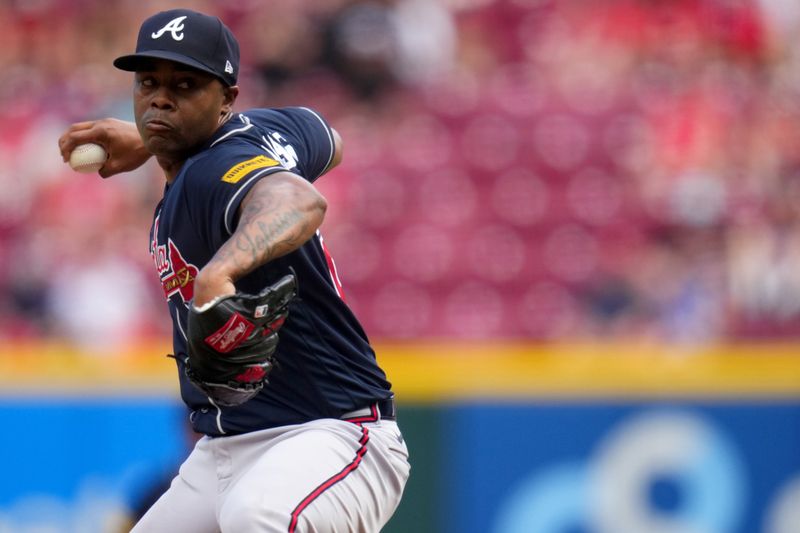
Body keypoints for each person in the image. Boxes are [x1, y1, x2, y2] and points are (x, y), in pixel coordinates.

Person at [58, 9, 409, 532]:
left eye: (185, 85)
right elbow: (327, 138)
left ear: (226, 99)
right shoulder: (259, 132)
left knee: (259, 518)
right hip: (226, 450)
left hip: (329, 436)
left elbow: (297, 200)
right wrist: (153, 138)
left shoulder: (213, 172)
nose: (160, 98)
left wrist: (219, 272)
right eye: (149, 83)